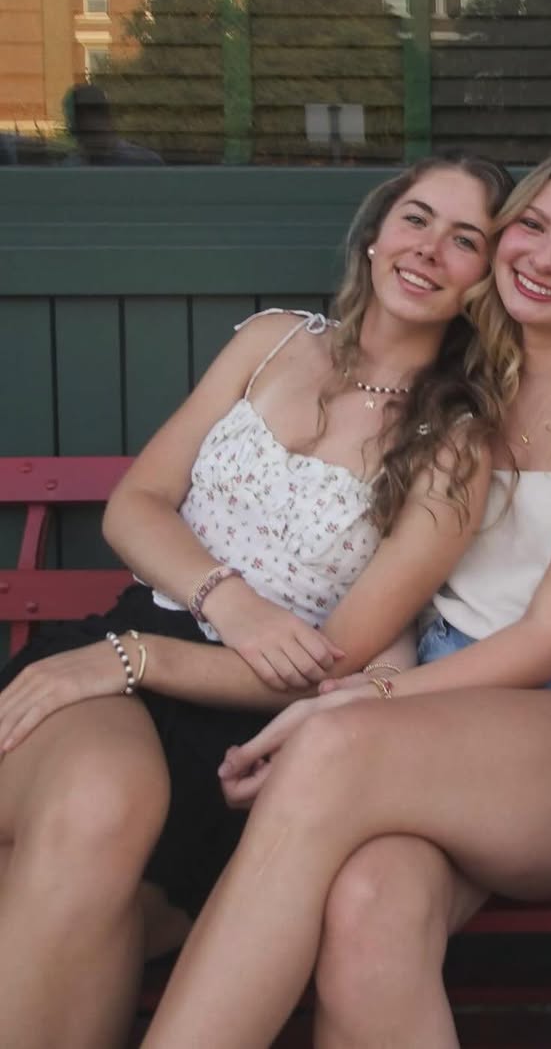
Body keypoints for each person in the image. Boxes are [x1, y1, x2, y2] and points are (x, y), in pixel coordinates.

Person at [140, 150, 551, 1049]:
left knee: (332, 750)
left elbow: (550, 637)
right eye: (532, 227)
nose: (547, 259)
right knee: (367, 913)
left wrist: (358, 700)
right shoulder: (459, 393)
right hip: (439, 714)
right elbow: (402, 588)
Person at [0, 152, 513, 1049]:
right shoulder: (273, 340)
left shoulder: (456, 446)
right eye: (416, 218)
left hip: (248, 723)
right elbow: (136, 503)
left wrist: (137, 660)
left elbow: (333, 662)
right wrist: (223, 602)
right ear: (376, 233)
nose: (430, 249)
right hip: (125, 653)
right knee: (98, 801)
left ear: (484, 283)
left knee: (90, 904)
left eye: (465, 239)